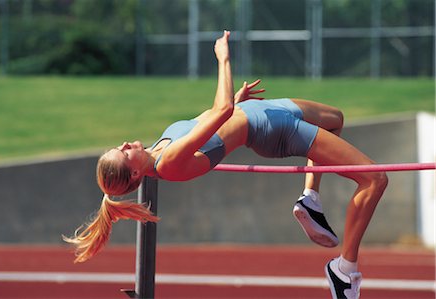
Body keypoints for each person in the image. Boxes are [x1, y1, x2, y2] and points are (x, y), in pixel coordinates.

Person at [64, 31, 388, 299]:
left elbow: (210, 121)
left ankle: (311, 199)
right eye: (122, 152)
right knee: (375, 180)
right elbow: (221, 112)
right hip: (273, 130)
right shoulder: (168, 163)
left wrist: (238, 100)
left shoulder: (156, 147)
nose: (123, 144)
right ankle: (344, 270)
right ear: (135, 172)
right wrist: (223, 59)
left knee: (336, 119)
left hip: (262, 111)